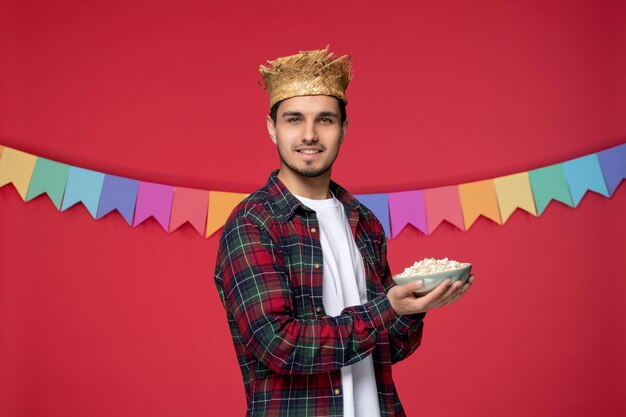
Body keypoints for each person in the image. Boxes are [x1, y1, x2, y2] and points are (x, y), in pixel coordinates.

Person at [214, 46, 474, 417]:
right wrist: (388, 307)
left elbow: (388, 347)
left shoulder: (363, 221)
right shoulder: (253, 222)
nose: (309, 135)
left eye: (324, 120)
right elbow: (278, 345)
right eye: (293, 120)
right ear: (272, 128)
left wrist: (415, 308)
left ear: (344, 129)